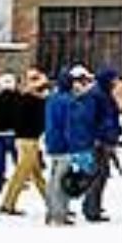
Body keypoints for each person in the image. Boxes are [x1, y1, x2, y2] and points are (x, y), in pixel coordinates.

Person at [0, 68, 48, 216]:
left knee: (37, 175)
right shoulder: (32, 100)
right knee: (21, 174)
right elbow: (39, 122)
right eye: (41, 88)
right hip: (28, 140)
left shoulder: (24, 98)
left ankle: (53, 202)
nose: (44, 91)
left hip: (26, 140)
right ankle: (7, 204)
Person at [82, 68, 122, 222]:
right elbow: (91, 119)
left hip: (105, 139)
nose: (116, 82)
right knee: (98, 174)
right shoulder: (97, 95)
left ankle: (93, 205)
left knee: (101, 174)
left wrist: (116, 130)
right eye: (114, 79)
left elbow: (110, 116)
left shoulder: (104, 94)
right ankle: (92, 209)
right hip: (98, 141)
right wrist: (98, 136)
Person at [43, 70, 75, 226]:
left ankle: (50, 211)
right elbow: (69, 125)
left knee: (53, 177)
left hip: (52, 142)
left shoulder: (52, 99)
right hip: (65, 144)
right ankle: (59, 214)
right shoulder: (69, 101)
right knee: (62, 180)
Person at [0, 73, 20, 194]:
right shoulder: (18, 98)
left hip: (0, 133)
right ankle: (20, 180)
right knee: (18, 160)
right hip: (14, 133)